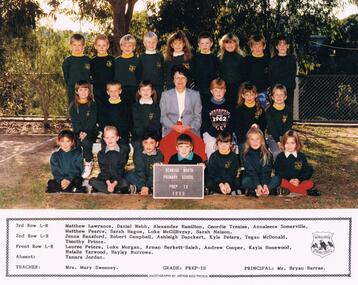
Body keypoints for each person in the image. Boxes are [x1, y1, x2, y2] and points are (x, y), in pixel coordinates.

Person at [274, 130, 320, 196]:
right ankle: (306, 192)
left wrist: (299, 180)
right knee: (280, 182)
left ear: (297, 144)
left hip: (299, 182)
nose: (289, 146)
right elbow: (278, 171)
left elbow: (306, 171)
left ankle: (290, 191)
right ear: (283, 144)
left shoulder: (301, 156)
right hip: (286, 181)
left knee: (309, 183)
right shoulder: (280, 157)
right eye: (287, 143)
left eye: (292, 143)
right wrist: (289, 180)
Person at [160, 65, 202, 137]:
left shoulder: (195, 95)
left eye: (183, 78)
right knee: (167, 147)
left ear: (186, 80)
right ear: (173, 80)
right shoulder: (165, 95)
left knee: (198, 148)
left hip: (190, 129)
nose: (180, 80)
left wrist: (188, 126)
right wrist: (174, 126)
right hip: (171, 129)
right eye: (177, 78)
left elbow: (198, 118)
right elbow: (163, 117)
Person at [69, 80, 98, 178]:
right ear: (77, 91)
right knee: (74, 142)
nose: (84, 92)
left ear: (89, 91)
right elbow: (75, 121)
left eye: (86, 90)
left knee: (86, 142)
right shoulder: (73, 106)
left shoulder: (93, 105)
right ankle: (76, 165)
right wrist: (80, 132)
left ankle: (89, 162)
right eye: (81, 90)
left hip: (91, 131)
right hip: (78, 131)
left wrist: (85, 132)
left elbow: (92, 120)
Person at [89, 126, 131, 194]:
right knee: (92, 181)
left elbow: (120, 169)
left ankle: (105, 189)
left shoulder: (122, 152)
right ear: (104, 139)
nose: (110, 140)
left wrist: (114, 184)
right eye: (107, 138)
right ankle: (114, 190)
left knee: (125, 183)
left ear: (117, 138)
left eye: (112, 137)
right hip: (105, 179)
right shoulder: (101, 153)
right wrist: (108, 183)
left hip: (117, 178)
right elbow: (103, 169)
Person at [241, 128, 280, 197]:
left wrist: (265, 184)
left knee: (277, 178)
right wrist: (258, 185)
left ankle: (264, 189)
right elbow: (250, 172)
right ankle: (264, 190)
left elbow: (266, 171)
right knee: (244, 181)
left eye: (257, 139)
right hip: (252, 179)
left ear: (262, 140)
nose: (255, 142)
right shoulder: (245, 155)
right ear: (248, 141)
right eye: (252, 139)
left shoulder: (267, 154)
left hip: (265, 178)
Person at [201, 78, 233, 159]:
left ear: (225, 90)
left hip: (226, 134)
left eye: (221, 90)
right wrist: (217, 135)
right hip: (211, 134)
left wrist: (224, 135)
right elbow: (206, 123)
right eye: (216, 90)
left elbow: (232, 122)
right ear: (211, 91)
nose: (218, 92)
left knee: (231, 147)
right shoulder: (206, 105)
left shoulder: (230, 105)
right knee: (211, 145)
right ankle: (212, 167)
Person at [101, 80, 131, 158]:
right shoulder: (104, 105)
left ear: (120, 91)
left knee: (124, 148)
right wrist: (108, 133)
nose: (113, 93)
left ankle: (120, 168)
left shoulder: (125, 105)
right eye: (111, 91)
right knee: (105, 149)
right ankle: (107, 168)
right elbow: (102, 121)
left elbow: (127, 121)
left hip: (121, 134)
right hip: (108, 134)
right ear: (108, 92)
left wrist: (118, 134)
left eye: (116, 91)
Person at [232, 82, 266, 150]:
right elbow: (237, 128)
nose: (249, 97)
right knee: (243, 147)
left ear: (256, 95)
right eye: (247, 95)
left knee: (263, 148)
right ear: (243, 96)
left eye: (252, 95)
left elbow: (263, 124)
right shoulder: (239, 109)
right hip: (243, 138)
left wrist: (258, 126)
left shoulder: (259, 109)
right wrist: (248, 135)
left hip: (257, 137)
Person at [90, 34, 115, 128]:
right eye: (99, 45)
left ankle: (112, 129)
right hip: (98, 89)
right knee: (100, 109)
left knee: (110, 108)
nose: (101, 47)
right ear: (95, 46)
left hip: (110, 89)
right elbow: (90, 76)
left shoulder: (112, 60)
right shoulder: (92, 61)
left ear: (108, 46)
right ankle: (102, 129)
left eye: (104, 45)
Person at [269, 35, 297, 116]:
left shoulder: (292, 59)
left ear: (288, 46)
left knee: (288, 109)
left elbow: (293, 74)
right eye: (280, 44)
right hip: (276, 90)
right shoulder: (273, 60)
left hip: (288, 89)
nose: (282, 46)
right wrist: (274, 89)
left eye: (284, 44)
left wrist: (289, 87)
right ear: (276, 47)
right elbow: (271, 75)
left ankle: (287, 127)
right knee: (276, 110)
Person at [132, 80, 161, 157]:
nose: (145, 92)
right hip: (138, 137)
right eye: (143, 90)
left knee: (152, 146)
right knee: (138, 149)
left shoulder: (156, 107)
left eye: (148, 89)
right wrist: (143, 138)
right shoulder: (135, 106)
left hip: (153, 135)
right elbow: (136, 122)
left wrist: (149, 137)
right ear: (139, 92)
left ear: (152, 92)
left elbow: (156, 123)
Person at [265, 84, 292, 160]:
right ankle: (277, 170)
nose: (279, 97)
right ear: (272, 97)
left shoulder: (288, 110)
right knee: (277, 153)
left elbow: (288, 126)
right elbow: (272, 127)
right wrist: (278, 141)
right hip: (272, 137)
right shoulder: (269, 111)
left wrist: (284, 140)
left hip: (285, 137)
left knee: (290, 152)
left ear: (285, 97)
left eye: (281, 95)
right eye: (276, 95)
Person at [218, 33, 246, 106]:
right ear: (223, 44)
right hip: (223, 89)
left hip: (238, 89)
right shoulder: (219, 58)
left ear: (236, 44)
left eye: (232, 42)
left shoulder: (241, 58)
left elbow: (244, 75)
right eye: (227, 42)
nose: (230, 45)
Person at [62, 33, 91, 104]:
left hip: (85, 90)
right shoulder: (67, 60)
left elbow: (90, 73)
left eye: (79, 45)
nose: (77, 47)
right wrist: (71, 85)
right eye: (74, 45)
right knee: (73, 108)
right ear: (70, 46)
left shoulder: (87, 60)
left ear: (83, 46)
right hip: (73, 89)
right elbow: (66, 76)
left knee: (85, 108)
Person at [192, 32, 219, 105]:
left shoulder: (215, 59)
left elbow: (217, 75)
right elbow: (192, 74)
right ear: (198, 44)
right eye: (202, 43)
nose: (205, 46)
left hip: (211, 90)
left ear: (211, 44)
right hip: (198, 90)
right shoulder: (194, 58)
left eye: (207, 43)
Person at [136, 31, 164, 100]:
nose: (151, 44)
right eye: (149, 42)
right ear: (144, 43)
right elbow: (138, 73)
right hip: (145, 89)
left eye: (153, 42)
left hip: (158, 87)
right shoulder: (141, 58)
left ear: (156, 42)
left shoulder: (160, 57)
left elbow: (163, 71)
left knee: (157, 107)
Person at [244, 34, 270, 108]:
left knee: (261, 111)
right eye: (255, 47)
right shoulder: (247, 60)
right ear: (251, 47)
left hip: (263, 91)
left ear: (264, 46)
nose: (257, 49)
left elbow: (270, 76)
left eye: (260, 46)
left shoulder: (268, 60)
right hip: (250, 91)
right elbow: (244, 76)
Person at [114, 34, 138, 107]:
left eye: (130, 46)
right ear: (121, 47)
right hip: (120, 91)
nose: (127, 48)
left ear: (133, 47)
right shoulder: (116, 61)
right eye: (125, 46)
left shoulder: (137, 61)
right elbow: (114, 77)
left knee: (132, 111)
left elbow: (140, 76)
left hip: (134, 90)